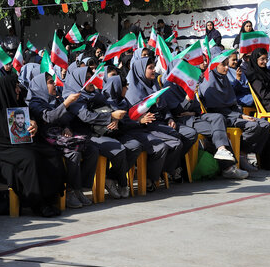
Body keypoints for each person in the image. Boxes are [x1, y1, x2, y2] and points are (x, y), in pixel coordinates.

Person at [0, 74, 66, 217]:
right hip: (3, 148)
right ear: (7, 89)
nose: (18, 90)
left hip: (22, 143)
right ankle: (37, 203)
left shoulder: (16, 102)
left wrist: (33, 124)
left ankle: (51, 197)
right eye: (15, 87)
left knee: (51, 152)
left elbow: (28, 119)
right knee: (30, 158)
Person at [64, 67, 142, 197]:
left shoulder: (96, 94)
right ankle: (122, 183)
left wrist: (116, 119)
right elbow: (86, 116)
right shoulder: (73, 98)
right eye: (87, 79)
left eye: (92, 77)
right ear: (78, 81)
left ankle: (111, 178)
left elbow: (110, 107)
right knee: (119, 150)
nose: (92, 81)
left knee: (134, 146)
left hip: (105, 131)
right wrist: (111, 117)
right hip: (88, 135)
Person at [27, 72, 96, 208]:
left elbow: (65, 118)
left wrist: (66, 127)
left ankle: (80, 188)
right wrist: (67, 102)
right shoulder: (35, 103)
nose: (54, 84)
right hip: (46, 140)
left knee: (92, 150)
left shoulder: (55, 99)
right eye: (50, 82)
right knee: (74, 154)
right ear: (41, 85)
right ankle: (70, 191)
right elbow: (49, 117)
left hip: (61, 137)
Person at [161, 76, 248, 179]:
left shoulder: (189, 84)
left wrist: (191, 109)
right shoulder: (170, 86)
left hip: (194, 116)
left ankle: (222, 149)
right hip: (184, 121)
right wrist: (188, 98)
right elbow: (175, 112)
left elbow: (197, 109)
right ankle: (228, 168)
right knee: (218, 130)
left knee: (218, 118)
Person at [125, 57, 192, 186]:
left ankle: (164, 170)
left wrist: (169, 118)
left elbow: (164, 107)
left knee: (179, 138)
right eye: (150, 68)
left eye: (153, 67)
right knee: (174, 141)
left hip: (158, 123)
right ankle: (152, 176)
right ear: (140, 71)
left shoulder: (155, 85)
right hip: (143, 128)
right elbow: (132, 116)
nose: (154, 70)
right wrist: (142, 117)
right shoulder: (132, 91)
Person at [199, 55, 270, 172]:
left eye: (228, 64)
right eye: (224, 65)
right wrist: (240, 116)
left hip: (234, 114)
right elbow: (217, 109)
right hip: (224, 117)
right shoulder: (210, 83)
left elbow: (233, 101)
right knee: (253, 126)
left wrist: (240, 113)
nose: (227, 68)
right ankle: (239, 155)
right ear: (215, 66)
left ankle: (242, 152)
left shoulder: (223, 78)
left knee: (265, 125)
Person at [245, 47, 270, 113]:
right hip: (266, 103)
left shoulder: (267, 72)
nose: (265, 62)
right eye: (262, 59)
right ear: (255, 60)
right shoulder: (254, 75)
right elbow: (263, 94)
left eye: (266, 59)